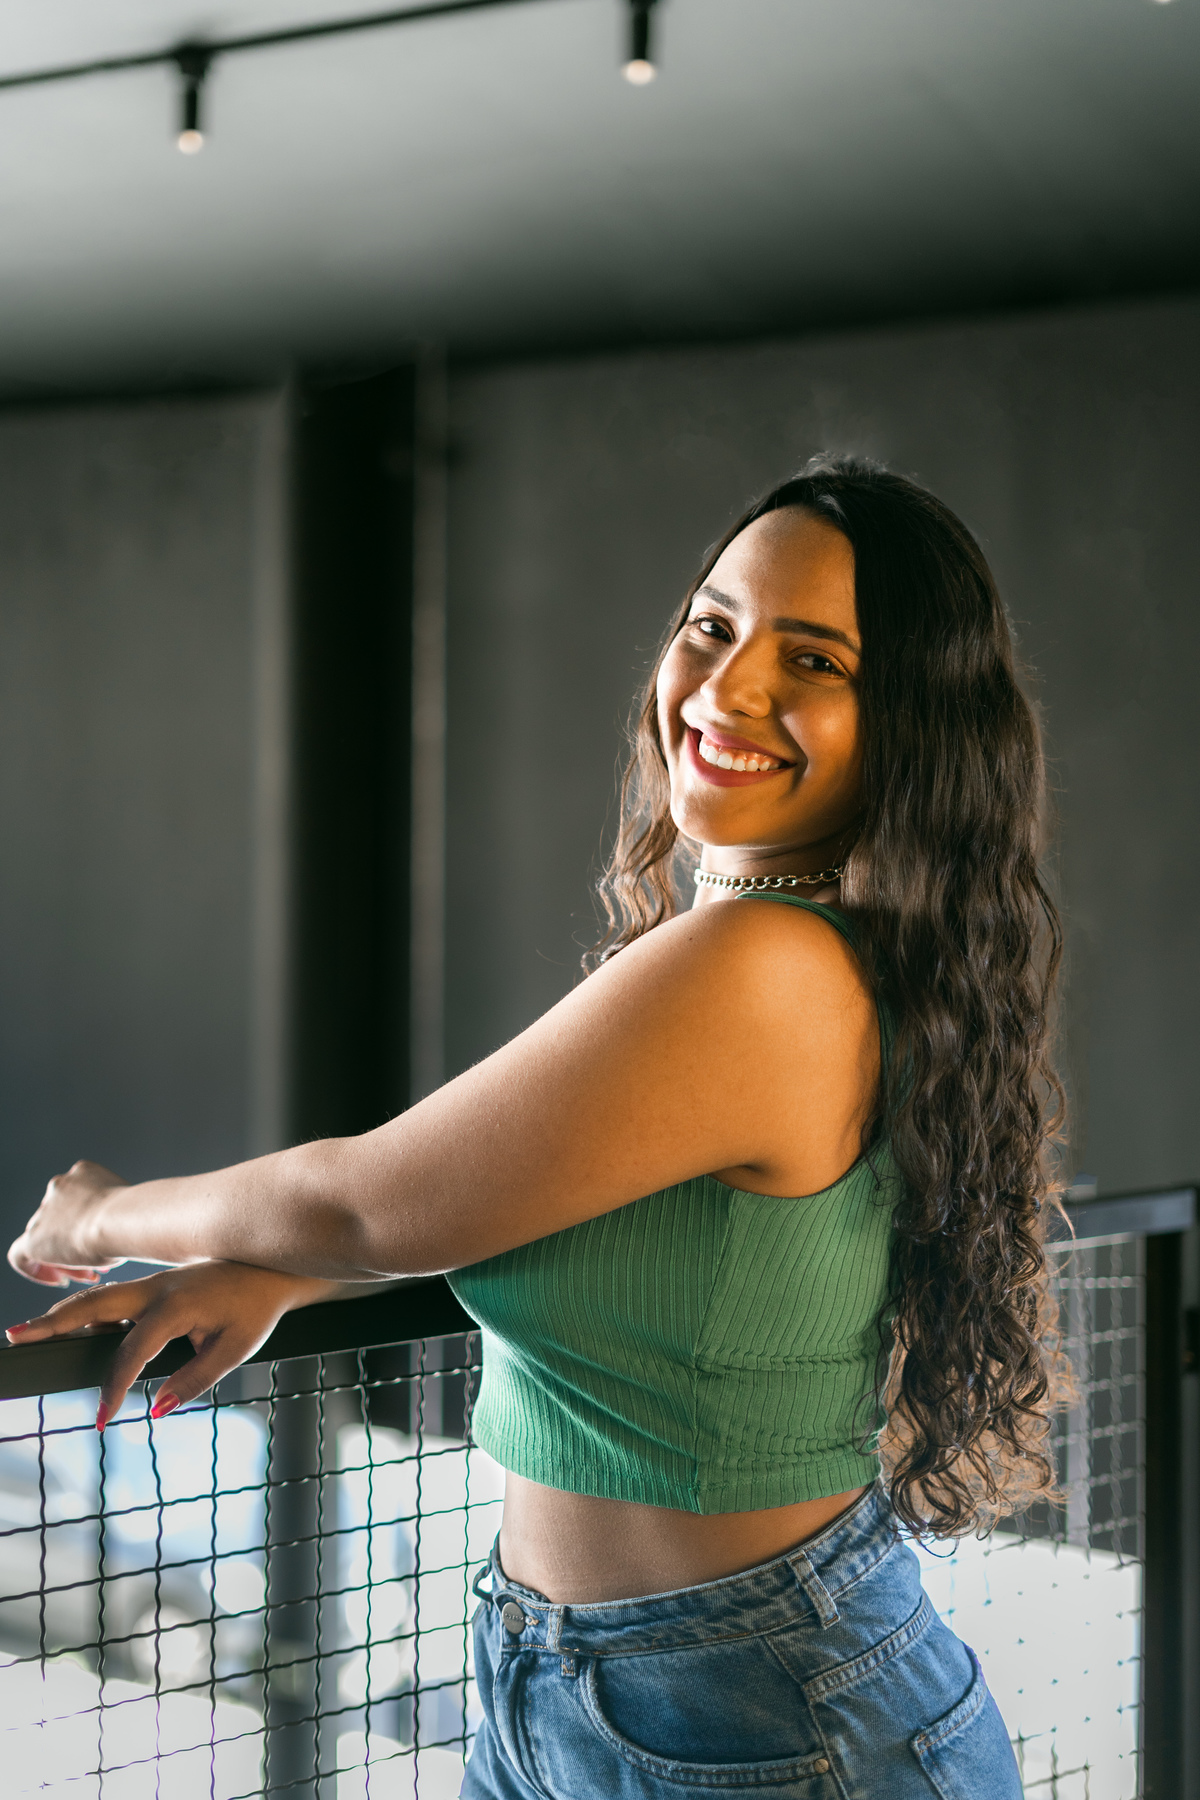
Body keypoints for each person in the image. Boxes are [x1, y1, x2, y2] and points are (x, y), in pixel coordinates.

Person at [6, 456, 1064, 1798]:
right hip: (577, 1685)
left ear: (908, 723)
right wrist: (285, 1269)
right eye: (712, 628)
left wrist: (102, 1216)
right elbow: (519, 1194)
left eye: (814, 662)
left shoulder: (768, 968)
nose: (731, 689)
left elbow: (374, 1198)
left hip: (759, 1717)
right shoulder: (805, 959)